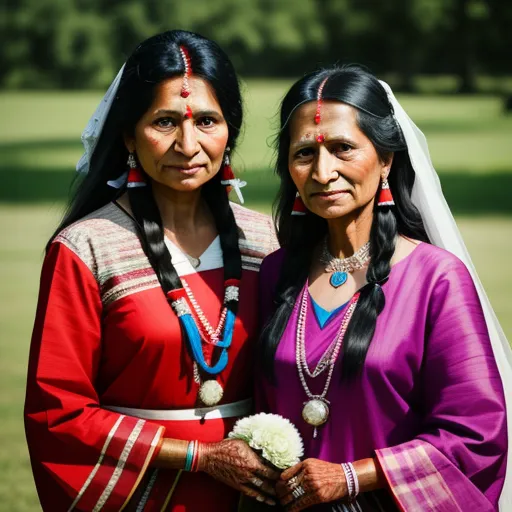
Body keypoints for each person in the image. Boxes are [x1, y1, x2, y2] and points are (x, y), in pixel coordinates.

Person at [24, 30, 281, 511]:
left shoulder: (267, 243)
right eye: (165, 122)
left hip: (253, 496)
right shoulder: (86, 248)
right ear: (128, 134)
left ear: (231, 132)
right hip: (140, 495)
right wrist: (200, 457)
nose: (188, 143)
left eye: (207, 120)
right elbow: (58, 413)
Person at [257, 65, 511, 511]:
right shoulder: (276, 274)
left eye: (343, 149)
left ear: (387, 159)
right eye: (304, 154)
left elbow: (476, 432)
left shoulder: (436, 279)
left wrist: (351, 478)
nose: (323, 171)